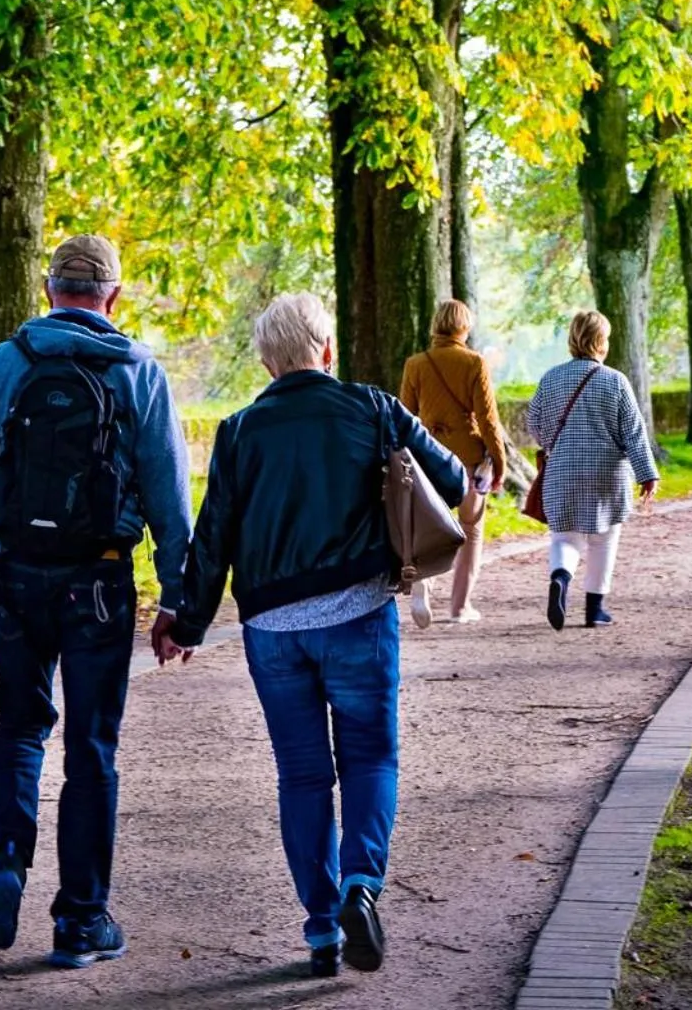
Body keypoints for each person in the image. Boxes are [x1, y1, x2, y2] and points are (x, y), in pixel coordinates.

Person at [153, 293, 463, 980]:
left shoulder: (238, 432)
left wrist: (188, 620)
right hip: (358, 614)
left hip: (272, 629)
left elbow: (214, 537)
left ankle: (322, 931)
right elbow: (454, 478)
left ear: (267, 362)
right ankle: (361, 886)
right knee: (371, 759)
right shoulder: (374, 408)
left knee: (301, 776)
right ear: (327, 349)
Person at [0, 234, 192, 968]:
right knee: (91, 748)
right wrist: (178, 600)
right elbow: (171, 500)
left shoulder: (1, 366)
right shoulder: (138, 372)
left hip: (14, 577)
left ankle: (7, 859)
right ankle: (80, 921)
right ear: (113, 298)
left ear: (48, 292)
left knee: (19, 727)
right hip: (99, 580)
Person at [525, 311, 659, 631]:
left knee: (564, 537)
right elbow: (633, 432)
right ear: (602, 342)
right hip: (606, 472)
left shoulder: (551, 378)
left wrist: (556, 445)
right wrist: (647, 474)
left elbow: (534, 423)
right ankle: (594, 609)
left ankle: (560, 577)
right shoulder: (615, 381)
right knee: (603, 539)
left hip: (562, 469)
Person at [398, 300, 508, 624]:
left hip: (428, 457)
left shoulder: (415, 364)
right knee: (471, 529)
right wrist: (499, 462)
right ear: (465, 328)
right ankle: (460, 607)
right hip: (468, 458)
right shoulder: (474, 363)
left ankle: (423, 581)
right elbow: (488, 419)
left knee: (431, 525)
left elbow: (405, 415)